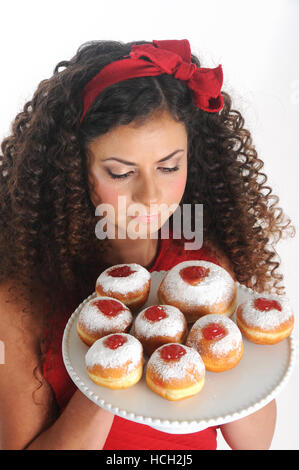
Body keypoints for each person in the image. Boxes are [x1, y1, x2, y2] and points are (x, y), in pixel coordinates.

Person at [0, 39, 295, 450]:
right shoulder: (19, 299)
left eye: (169, 166)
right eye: (121, 173)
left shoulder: (203, 270)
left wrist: (234, 344)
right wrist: (117, 362)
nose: (151, 196)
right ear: (72, 168)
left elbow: (254, 443)